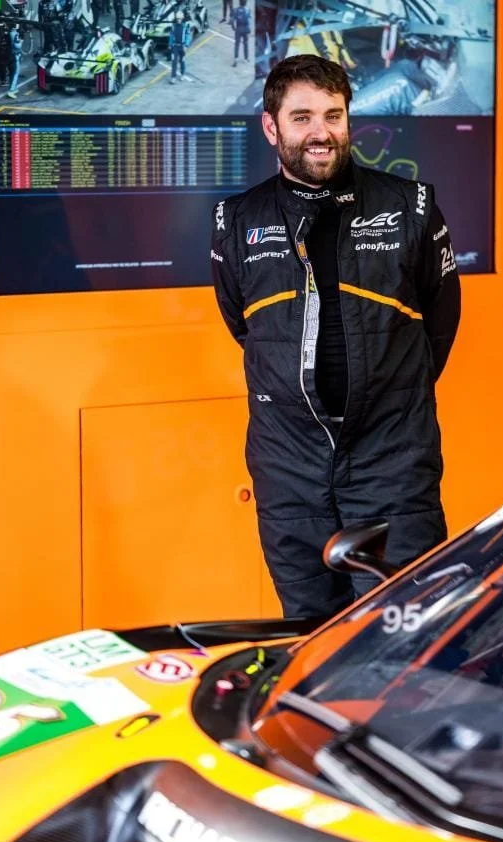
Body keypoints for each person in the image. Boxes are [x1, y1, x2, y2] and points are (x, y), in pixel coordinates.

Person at [211, 55, 461, 620]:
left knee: (404, 629)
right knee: (311, 637)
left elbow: (440, 324)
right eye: (302, 117)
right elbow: (242, 325)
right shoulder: (236, 220)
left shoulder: (411, 207)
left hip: (393, 460)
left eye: (333, 115)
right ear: (271, 126)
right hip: (288, 466)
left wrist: (388, 396)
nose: (320, 132)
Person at [168, 10, 191, 83]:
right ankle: (173, 77)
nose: (179, 20)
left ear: (182, 18)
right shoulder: (173, 26)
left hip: (182, 46)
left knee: (182, 61)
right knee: (174, 62)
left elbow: (188, 36)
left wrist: (186, 45)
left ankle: (182, 74)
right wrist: (170, 44)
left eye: (180, 19)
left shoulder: (185, 26)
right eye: (178, 19)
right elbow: (171, 36)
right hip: (175, 46)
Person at [230, 0, 250, 66]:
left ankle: (236, 59)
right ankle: (246, 58)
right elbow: (248, 21)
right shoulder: (248, 10)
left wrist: (233, 28)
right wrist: (248, 30)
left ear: (239, 2)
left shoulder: (235, 10)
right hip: (245, 29)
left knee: (237, 44)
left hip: (238, 29)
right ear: (245, 3)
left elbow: (232, 20)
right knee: (246, 44)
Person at [6, 22, 23, 98]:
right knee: (15, 73)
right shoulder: (15, 34)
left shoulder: (9, 33)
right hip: (14, 56)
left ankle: (14, 88)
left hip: (10, 55)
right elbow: (18, 46)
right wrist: (21, 41)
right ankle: (11, 90)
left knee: (13, 73)